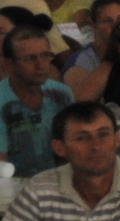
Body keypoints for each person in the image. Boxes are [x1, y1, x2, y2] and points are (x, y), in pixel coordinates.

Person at [0, 25, 76, 177]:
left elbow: (74, 145)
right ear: (9, 64)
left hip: (61, 180)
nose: (40, 65)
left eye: (45, 55)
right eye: (29, 59)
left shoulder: (62, 94)